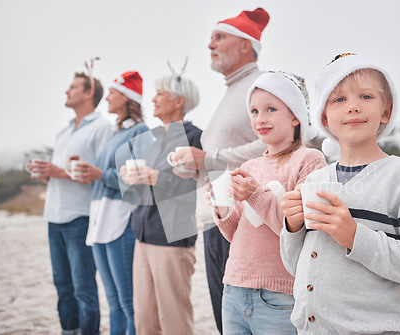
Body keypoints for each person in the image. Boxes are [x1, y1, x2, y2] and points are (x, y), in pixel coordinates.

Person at [280, 53, 400, 334]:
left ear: (386, 111)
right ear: (324, 116)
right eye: (339, 99)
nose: (353, 107)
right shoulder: (315, 179)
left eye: (366, 97)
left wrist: (355, 237)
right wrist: (292, 227)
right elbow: (293, 266)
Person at [170, 8, 270, 333]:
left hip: (244, 225)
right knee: (224, 322)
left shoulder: (261, 86)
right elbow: (219, 160)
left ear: (245, 45)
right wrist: (196, 169)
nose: (209, 44)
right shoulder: (232, 91)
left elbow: (276, 146)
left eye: (219, 37)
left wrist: (208, 158)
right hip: (216, 222)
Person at [205, 71, 326, 334]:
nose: (261, 119)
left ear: (295, 116)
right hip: (234, 287)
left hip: (279, 294)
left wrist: (254, 195)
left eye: (271, 109)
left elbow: (298, 231)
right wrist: (222, 207)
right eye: (254, 111)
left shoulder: (310, 160)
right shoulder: (249, 165)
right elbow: (236, 235)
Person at [117, 71, 202, 335]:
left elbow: (192, 186)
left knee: (174, 320)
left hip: (171, 240)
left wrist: (155, 178)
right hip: (143, 237)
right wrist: (132, 178)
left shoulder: (194, 136)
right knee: (144, 320)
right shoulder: (157, 140)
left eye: (160, 93)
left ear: (180, 101)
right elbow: (151, 187)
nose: (153, 99)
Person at [29, 72, 112, 335]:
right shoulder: (63, 132)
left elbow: (100, 174)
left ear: (89, 93)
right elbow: (61, 175)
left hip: (81, 217)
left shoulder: (102, 128)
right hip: (53, 217)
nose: (67, 91)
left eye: (73, 87)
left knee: (83, 288)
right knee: (62, 286)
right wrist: (47, 175)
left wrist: (58, 171)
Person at [75, 71, 149, 335]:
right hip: (100, 219)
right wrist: (88, 173)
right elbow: (106, 175)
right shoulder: (113, 133)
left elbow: (136, 180)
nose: (106, 97)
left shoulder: (141, 131)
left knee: (128, 303)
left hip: (121, 219)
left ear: (128, 98)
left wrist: (99, 174)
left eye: (113, 93)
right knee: (113, 301)